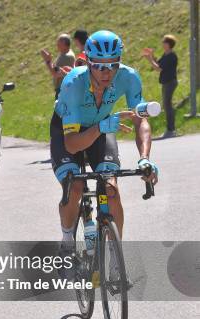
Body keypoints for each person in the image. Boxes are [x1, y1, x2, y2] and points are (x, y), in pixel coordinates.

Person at [51, 30, 158, 260]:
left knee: (110, 189)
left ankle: (115, 253)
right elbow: (71, 145)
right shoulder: (73, 84)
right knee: (75, 187)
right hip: (69, 131)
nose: (106, 71)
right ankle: (67, 240)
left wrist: (145, 158)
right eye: (99, 66)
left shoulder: (129, 77)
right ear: (88, 62)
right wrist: (101, 127)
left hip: (102, 126)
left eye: (112, 65)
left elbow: (141, 119)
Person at [142, 35, 178, 138]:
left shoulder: (171, 56)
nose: (162, 44)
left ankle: (171, 130)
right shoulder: (166, 55)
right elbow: (158, 63)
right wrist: (152, 55)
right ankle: (170, 129)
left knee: (167, 105)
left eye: (164, 42)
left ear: (168, 44)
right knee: (167, 105)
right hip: (166, 82)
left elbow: (158, 68)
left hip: (170, 82)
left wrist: (149, 59)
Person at [40, 33, 76, 98]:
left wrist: (48, 61)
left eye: (59, 44)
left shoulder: (66, 56)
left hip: (63, 90)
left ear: (65, 45)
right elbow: (56, 68)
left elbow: (55, 73)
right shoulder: (66, 53)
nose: (57, 45)